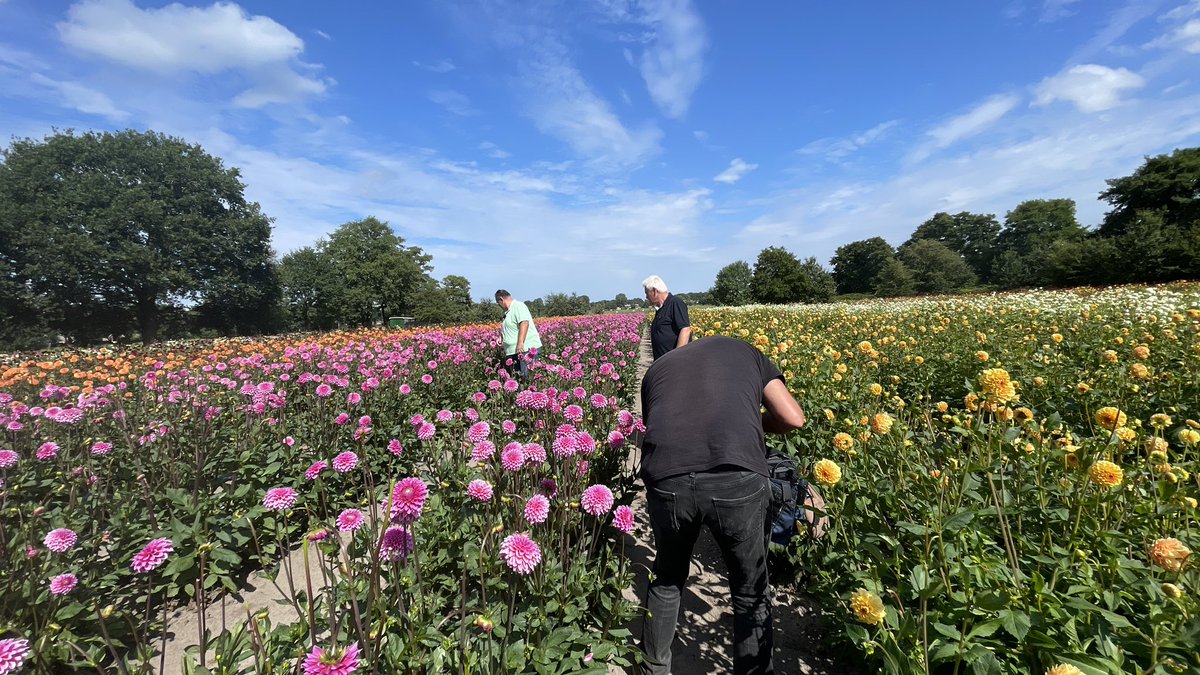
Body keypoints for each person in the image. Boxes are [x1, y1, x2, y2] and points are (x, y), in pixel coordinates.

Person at [639, 335, 806, 675]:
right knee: (749, 591)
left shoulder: (658, 368)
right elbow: (793, 419)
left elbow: (656, 423)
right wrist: (752, 422)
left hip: (666, 476)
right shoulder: (744, 350)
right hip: (736, 476)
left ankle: (653, 669)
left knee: (668, 578)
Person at [495, 289, 541, 380]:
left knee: (527, 378)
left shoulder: (518, 306)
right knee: (519, 379)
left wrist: (520, 342)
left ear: (501, 299)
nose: (499, 305)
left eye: (498, 303)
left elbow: (524, 323)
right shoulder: (508, 312)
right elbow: (511, 326)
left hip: (525, 349)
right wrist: (501, 337)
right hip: (514, 351)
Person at [642, 275, 691, 360]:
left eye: (647, 293)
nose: (646, 297)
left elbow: (685, 330)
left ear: (654, 291)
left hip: (673, 363)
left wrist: (677, 357)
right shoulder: (661, 308)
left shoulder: (675, 303)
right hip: (663, 362)